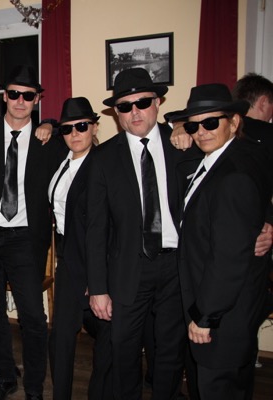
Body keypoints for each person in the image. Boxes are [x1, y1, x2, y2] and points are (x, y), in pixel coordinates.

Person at [0, 65, 67, 400]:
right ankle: (6, 376)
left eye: (28, 95)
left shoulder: (48, 141)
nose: (20, 101)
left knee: (33, 316)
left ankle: (34, 386)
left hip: (25, 239)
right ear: (4, 96)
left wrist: (53, 124)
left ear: (38, 100)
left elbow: (84, 146)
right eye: (14, 94)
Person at [86, 68, 190, 400]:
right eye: (125, 106)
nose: (135, 112)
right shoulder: (103, 158)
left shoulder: (183, 146)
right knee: (123, 348)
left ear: (157, 102)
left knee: (170, 349)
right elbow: (96, 228)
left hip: (177, 267)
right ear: (116, 113)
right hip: (129, 268)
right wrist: (98, 288)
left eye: (143, 102)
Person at [172, 83, 271, 398]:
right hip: (231, 310)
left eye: (211, 122)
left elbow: (228, 258)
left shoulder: (233, 175)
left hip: (223, 317)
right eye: (193, 126)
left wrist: (206, 316)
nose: (201, 132)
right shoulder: (228, 157)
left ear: (234, 121)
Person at [47, 97, 112, 400]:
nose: (74, 134)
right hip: (67, 257)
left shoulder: (104, 163)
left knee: (108, 337)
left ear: (95, 127)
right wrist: (47, 125)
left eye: (82, 126)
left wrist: (97, 277)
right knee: (61, 336)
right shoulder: (62, 160)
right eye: (67, 129)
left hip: (96, 260)